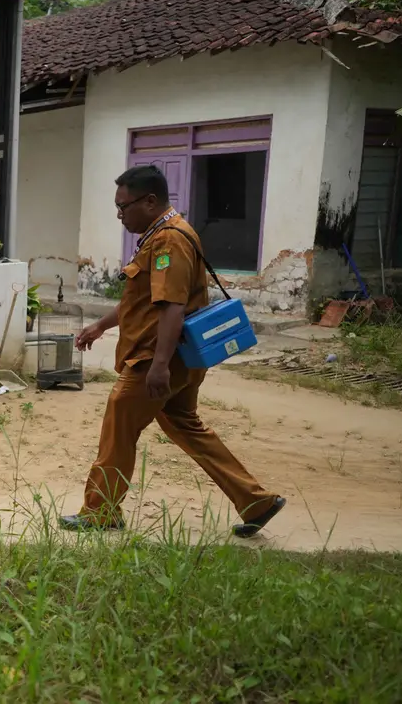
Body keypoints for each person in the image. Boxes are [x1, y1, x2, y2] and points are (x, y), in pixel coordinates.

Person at [60, 166, 285, 538]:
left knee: (119, 425)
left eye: (124, 207)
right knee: (187, 427)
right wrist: (101, 326)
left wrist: (160, 366)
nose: (120, 215)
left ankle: (100, 512)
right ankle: (256, 501)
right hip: (176, 358)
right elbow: (144, 299)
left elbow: (172, 306)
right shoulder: (160, 235)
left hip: (157, 359)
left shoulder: (169, 241)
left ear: (150, 202)